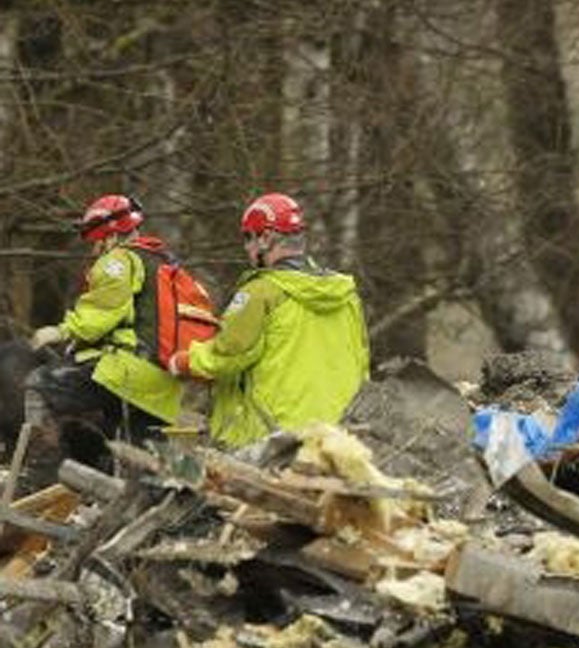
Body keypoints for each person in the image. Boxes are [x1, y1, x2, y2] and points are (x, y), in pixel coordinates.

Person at [172, 192, 370, 447]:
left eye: (248, 238)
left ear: (265, 238)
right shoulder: (347, 296)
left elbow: (227, 356)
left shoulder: (260, 292)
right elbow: (362, 363)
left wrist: (184, 361)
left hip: (273, 441)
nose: (246, 247)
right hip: (335, 440)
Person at [22, 194, 187, 473]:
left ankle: (39, 476)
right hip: (162, 380)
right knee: (144, 460)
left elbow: (101, 315)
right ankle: (147, 503)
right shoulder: (160, 263)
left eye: (96, 242)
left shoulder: (118, 261)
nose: (94, 250)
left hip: (127, 371)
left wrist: (60, 331)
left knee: (41, 385)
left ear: (110, 236)